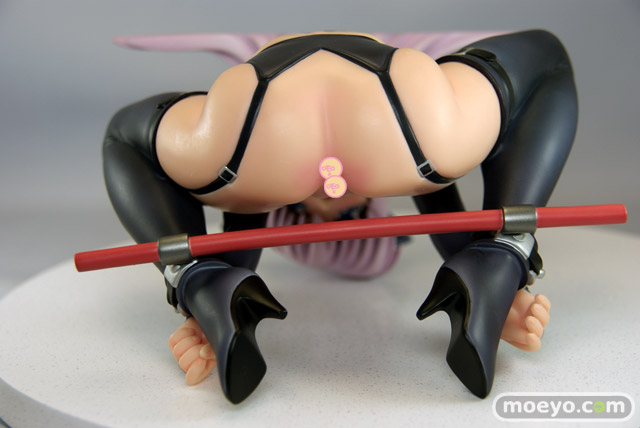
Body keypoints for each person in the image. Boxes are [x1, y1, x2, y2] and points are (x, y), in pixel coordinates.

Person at [103, 30, 577, 403]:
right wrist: (498, 257)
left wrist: (202, 278)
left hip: (254, 132)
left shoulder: (256, 196)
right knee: (545, 56)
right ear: (376, 201)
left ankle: (202, 281)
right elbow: (434, 194)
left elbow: (244, 209)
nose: (334, 193)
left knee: (127, 138)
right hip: (397, 116)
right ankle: (501, 255)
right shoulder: (409, 172)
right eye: (352, 211)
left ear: (283, 211)